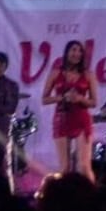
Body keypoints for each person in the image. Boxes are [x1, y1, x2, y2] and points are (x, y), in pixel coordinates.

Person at [42, 40, 98, 179]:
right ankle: (66, 192)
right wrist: (62, 98)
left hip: (81, 119)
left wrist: (80, 99)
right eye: (73, 50)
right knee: (64, 167)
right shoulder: (56, 73)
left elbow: (94, 102)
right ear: (67, 52)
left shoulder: (88, 74)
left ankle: (91, 191)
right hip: (62, 119)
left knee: (83, 166)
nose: (76, 53)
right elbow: (44, 99)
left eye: (80, 51)